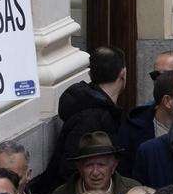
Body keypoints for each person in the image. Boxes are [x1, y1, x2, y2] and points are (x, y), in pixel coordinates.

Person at [47, 45, 128, 185]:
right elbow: (71, 169)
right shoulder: (90, 116)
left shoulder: (96, 109)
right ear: (123, 73)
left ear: (90, 74)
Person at [49, 131, 141, 194]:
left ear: (113, 166)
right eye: (89, 165)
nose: (95, 172)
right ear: (79, 168)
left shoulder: (133, 193)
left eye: (101, 165)